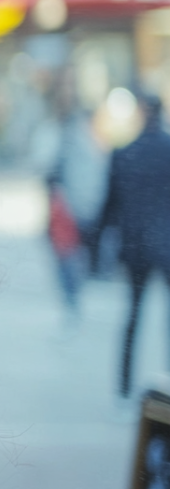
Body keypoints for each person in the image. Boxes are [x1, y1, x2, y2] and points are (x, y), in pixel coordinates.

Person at [92, 94, 170, 398]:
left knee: (132, 318)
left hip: (136, 246)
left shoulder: (124, 153)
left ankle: (123, 391)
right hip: (166, 245)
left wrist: (95, 249)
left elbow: (108, 206)